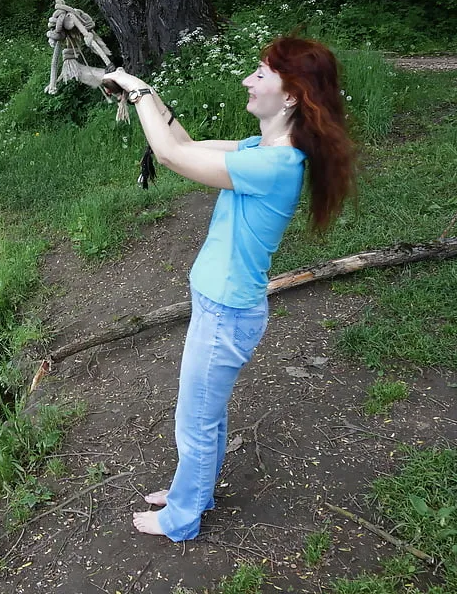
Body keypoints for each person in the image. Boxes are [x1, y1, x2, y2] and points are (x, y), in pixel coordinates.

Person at [100, 36, 357, 541]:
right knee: (204, 415)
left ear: (291, 96)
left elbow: (171, 157)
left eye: (260, 74)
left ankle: (182, 517)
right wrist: (146, 95)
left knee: (194, 420)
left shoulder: (275, 166)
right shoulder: (259, 150)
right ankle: (188, 493)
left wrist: (135, 88)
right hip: (221, 305)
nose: (247, 80)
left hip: (226, 313)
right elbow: (188, 145)